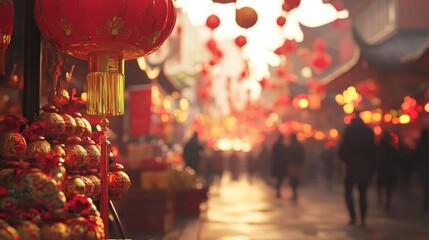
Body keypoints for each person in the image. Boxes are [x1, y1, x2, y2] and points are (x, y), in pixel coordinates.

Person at [338, 112, 376, 226]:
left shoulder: (349, 131)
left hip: (351, 166)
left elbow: (341, 150)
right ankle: (363, 217)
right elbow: (373, 152)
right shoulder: (368, 132)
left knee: (348, 192)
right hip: (364, 166)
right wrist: (371, 169)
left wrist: (347, 161)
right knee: (363, 193)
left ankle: (353, 215)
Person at [375, 131, 399, 211]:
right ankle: (385, 201)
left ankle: (383, 200)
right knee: (387, 187)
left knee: (384, 186)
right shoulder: (391, 149)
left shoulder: (380, 148)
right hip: (386, 170)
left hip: (384, 170)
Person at [286, 133, 305, 202]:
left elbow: (287, 155)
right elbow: (303, 155)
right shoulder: (299, 146)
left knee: (293, 178)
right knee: (296, 178)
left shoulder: (291, 146)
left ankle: (294, 191)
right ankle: (295, 191)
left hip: (292, 164)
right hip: (297, 164)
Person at [414, 128, 429, 211]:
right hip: (424, 166)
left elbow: (416, 155)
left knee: (425, 185)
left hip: (422, 167)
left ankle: (424, 202)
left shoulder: (420, 144)